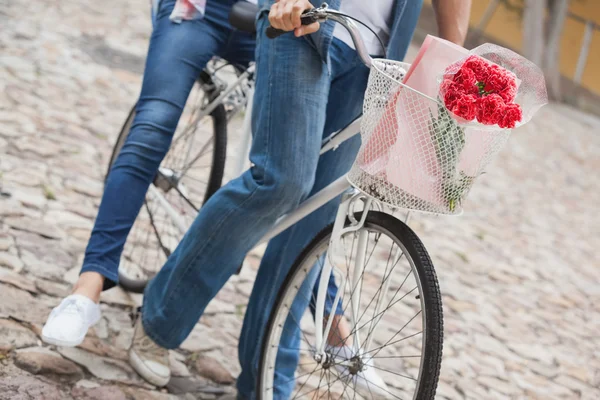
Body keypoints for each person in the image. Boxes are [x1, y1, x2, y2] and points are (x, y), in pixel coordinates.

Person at [46, 0, 471, 397]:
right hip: (302, 19)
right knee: (283, 180)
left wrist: (450, 64)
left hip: (377, 52)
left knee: (315, 218)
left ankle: (267, 380)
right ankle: (160, 322)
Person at [41, 0, 356, 370]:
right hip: (198, 11)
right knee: (153, 126)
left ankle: (334, 319)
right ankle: (87, 289)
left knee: (297, 166)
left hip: (270, 15)